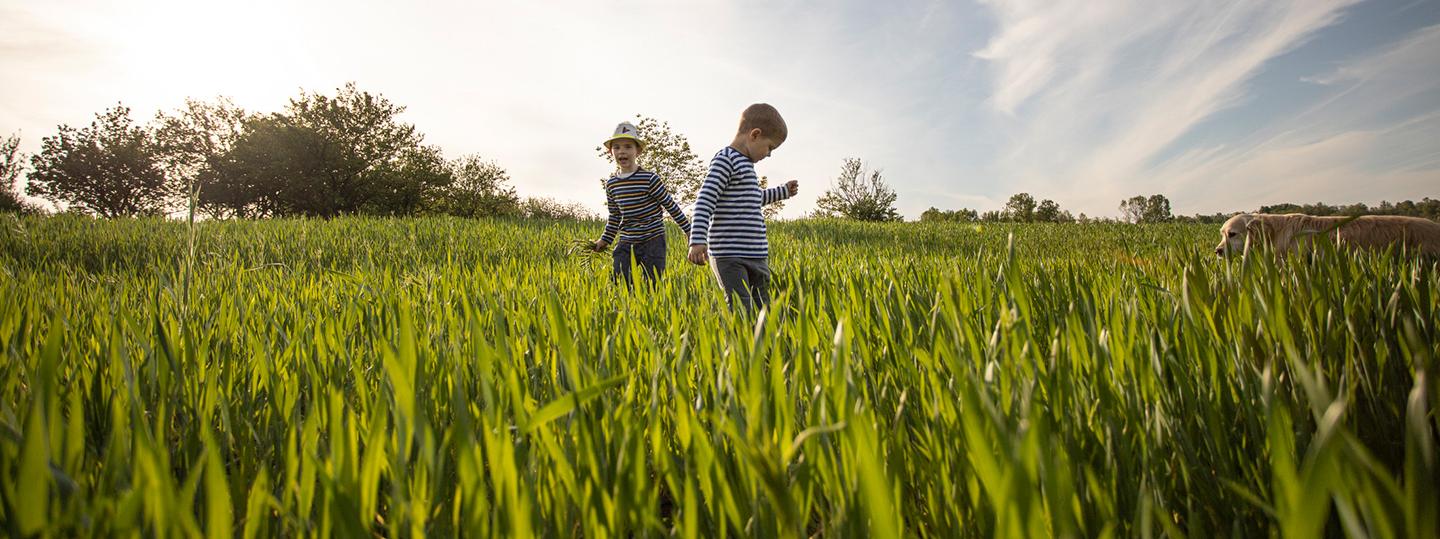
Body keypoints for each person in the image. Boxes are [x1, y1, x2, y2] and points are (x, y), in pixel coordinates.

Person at [687, 104, 798, 310]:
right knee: (741, 308)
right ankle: (739, 342)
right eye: (770, 148)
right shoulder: (726, 160)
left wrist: (783, 192)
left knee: (762, 308)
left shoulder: (747, 165)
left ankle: (762, 341)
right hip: (729, 254)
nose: (769, 154)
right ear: (755, 135)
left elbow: (754, 198)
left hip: (756, 255)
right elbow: (705, 200)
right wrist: (698, 240)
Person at [593, 121, 692, 286]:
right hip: (626, 240)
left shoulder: (649, 179)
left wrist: (688, 230)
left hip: (652, 239)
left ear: (637, 151)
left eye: (627, 147)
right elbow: (615, 216)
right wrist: (604, 240)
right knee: (620, 281)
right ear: (611, 152)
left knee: (651, 285)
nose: (622, 151)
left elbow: (670, 205)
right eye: (616, 147)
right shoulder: (612, 184)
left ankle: (651, 310)